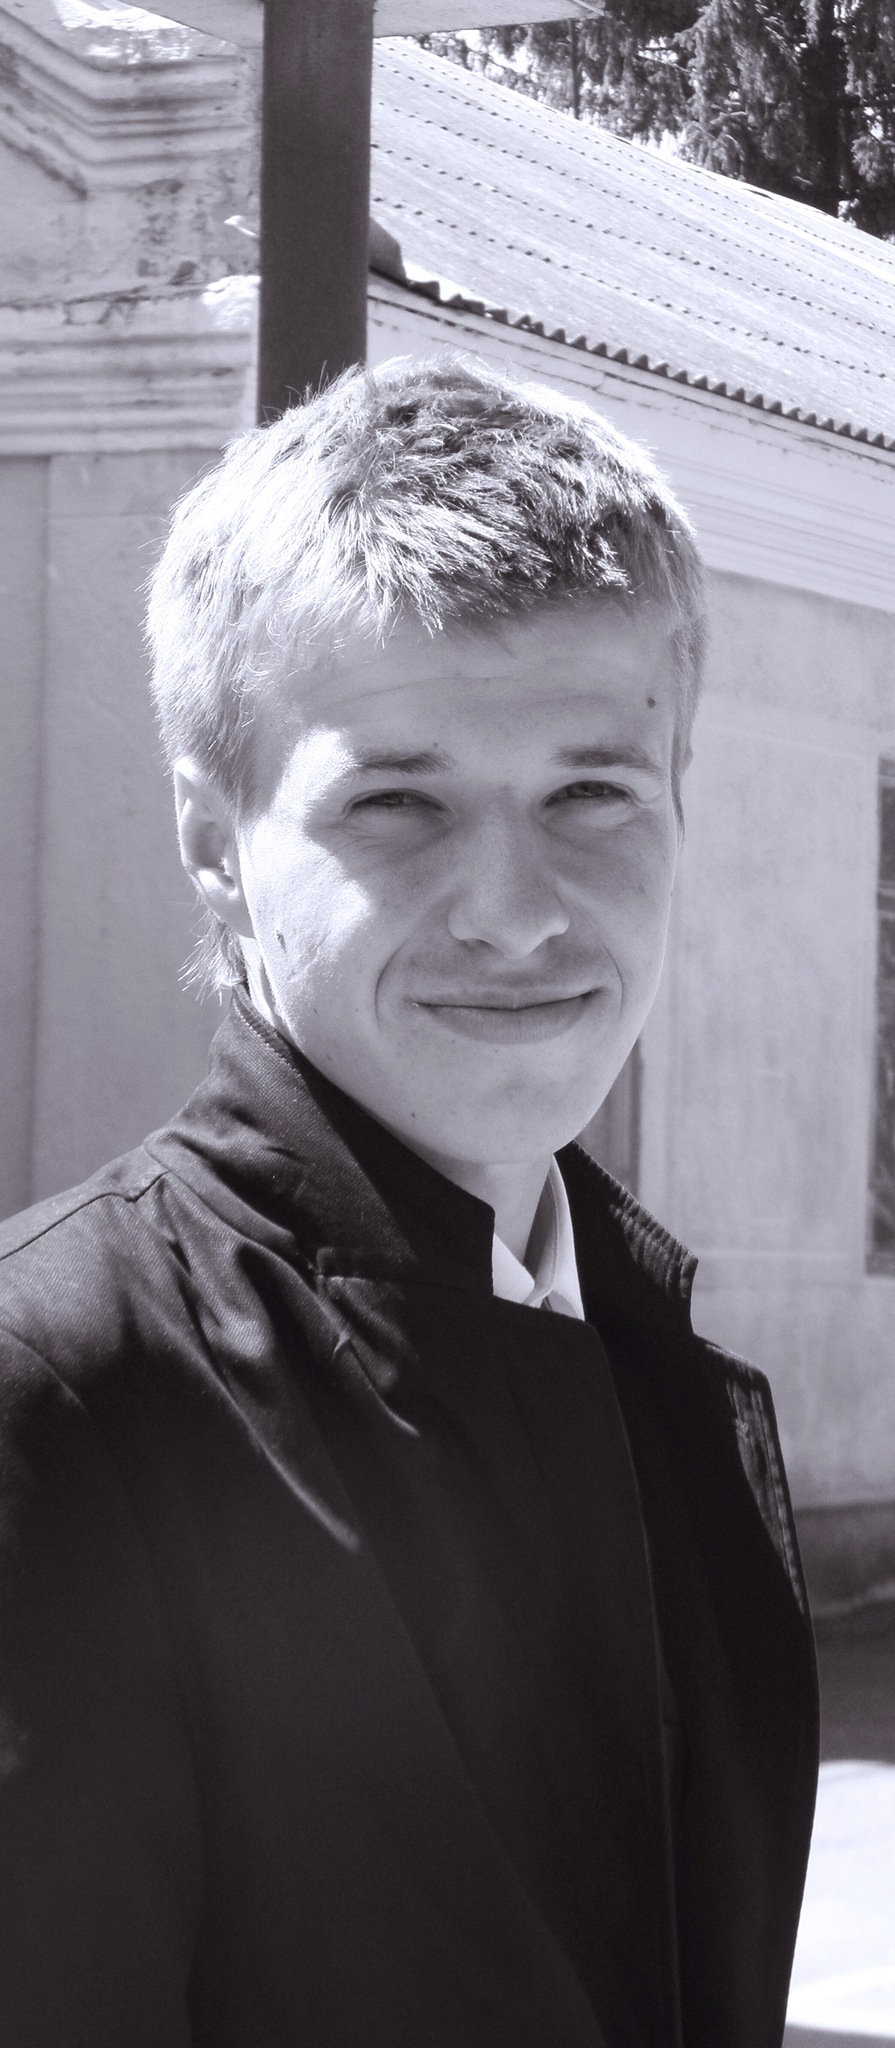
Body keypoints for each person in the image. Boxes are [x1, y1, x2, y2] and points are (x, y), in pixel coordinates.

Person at [0, 356, 817, 2048]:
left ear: (680, 795)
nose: (516, 912)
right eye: (397, 801)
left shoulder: (663, 1376)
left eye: (591, 791)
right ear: (215, 842)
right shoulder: (58, 1399)